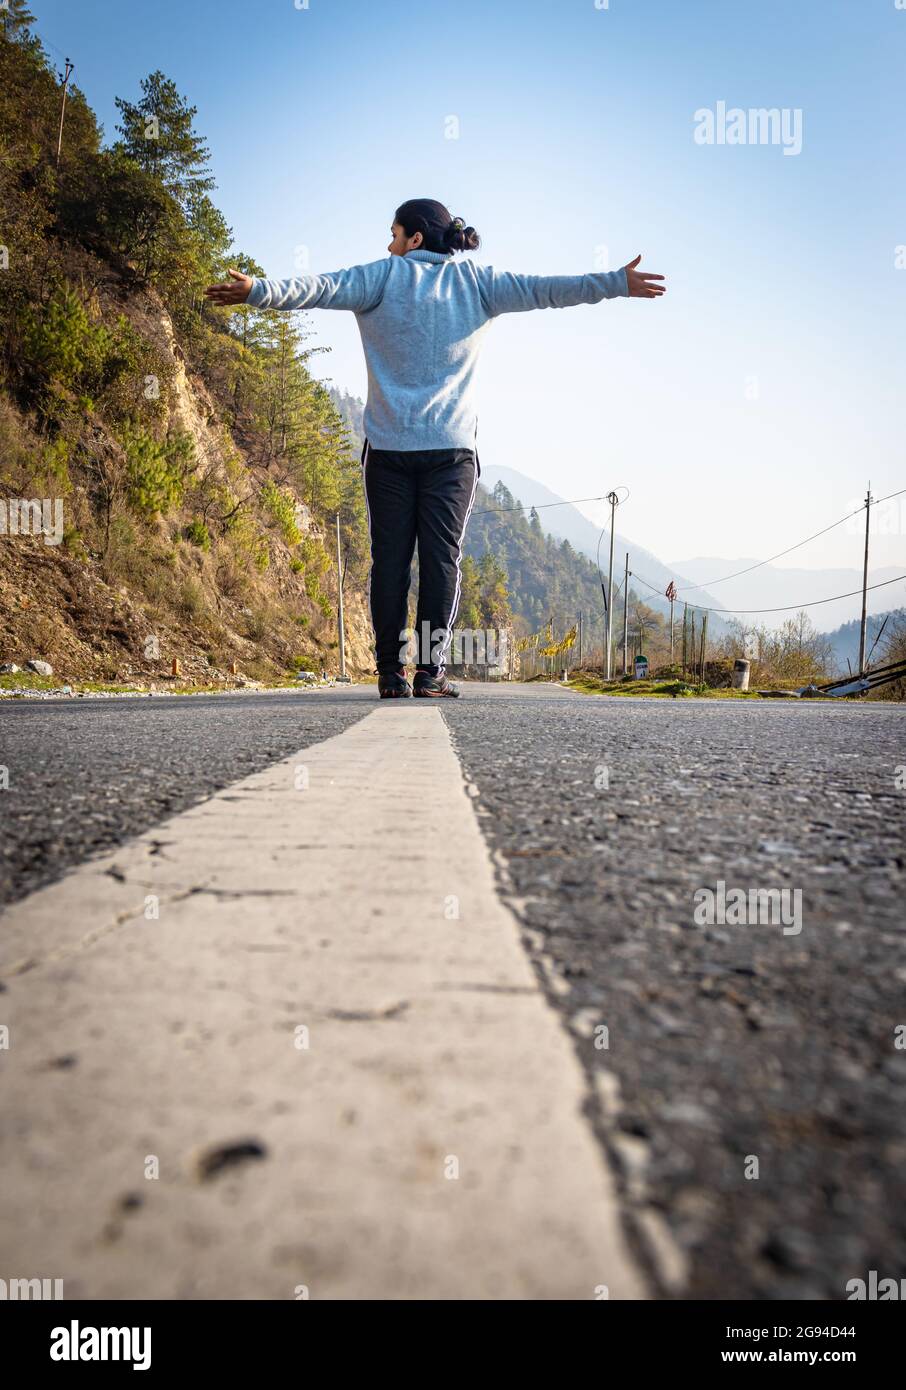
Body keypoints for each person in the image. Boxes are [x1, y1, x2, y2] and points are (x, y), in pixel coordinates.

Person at [205, 198, 666, 699]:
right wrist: (615, 283)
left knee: (390, 563)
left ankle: (388, 673)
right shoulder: (478, 283)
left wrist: (257, 291)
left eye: (395, 234)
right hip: (451, 453)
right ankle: (429, 673)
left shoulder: (381, 277)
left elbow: (318, 288)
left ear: (416, 239)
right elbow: (548, 290)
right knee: (442, 563)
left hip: (388, 451)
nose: (389, 244)